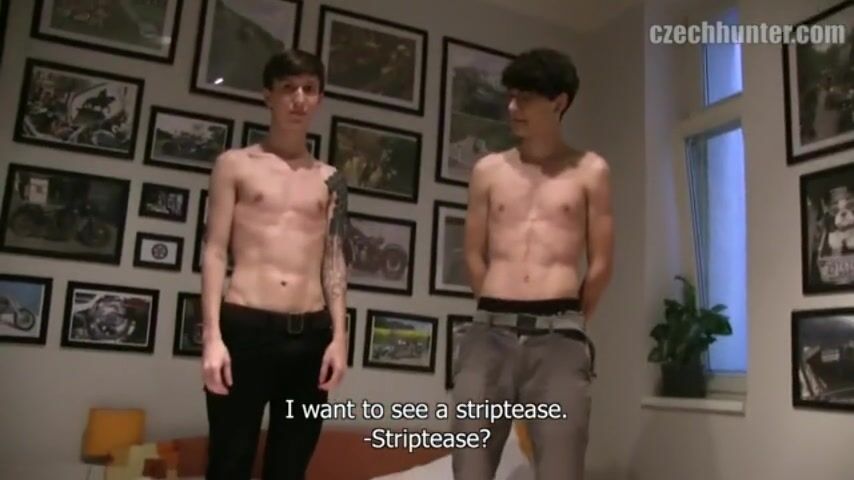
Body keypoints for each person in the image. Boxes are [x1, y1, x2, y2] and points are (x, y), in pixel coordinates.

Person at [452, 47, 614, 479]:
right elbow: (473, 253)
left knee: (561, 468)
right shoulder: (488, 170)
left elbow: (601, 263)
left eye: (524, 98)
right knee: (470, 467)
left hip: (559, 336)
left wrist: (573, 322)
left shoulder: (590, 170)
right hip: (488, 334)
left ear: (559, 102)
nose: (512, 107)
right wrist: (493, 307)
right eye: (510, 96)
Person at [200, 50, 349, 480]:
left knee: (290, 466)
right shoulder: (234, 164)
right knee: (229, 461)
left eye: (309, 89)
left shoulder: (331, 178)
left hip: (311, 334)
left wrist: (340, 338)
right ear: (268, 95)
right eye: (288, 88)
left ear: (319, 98)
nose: (299, 99)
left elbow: (335, 258)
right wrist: (212, 337)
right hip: (245, 327)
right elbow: (214, 251)